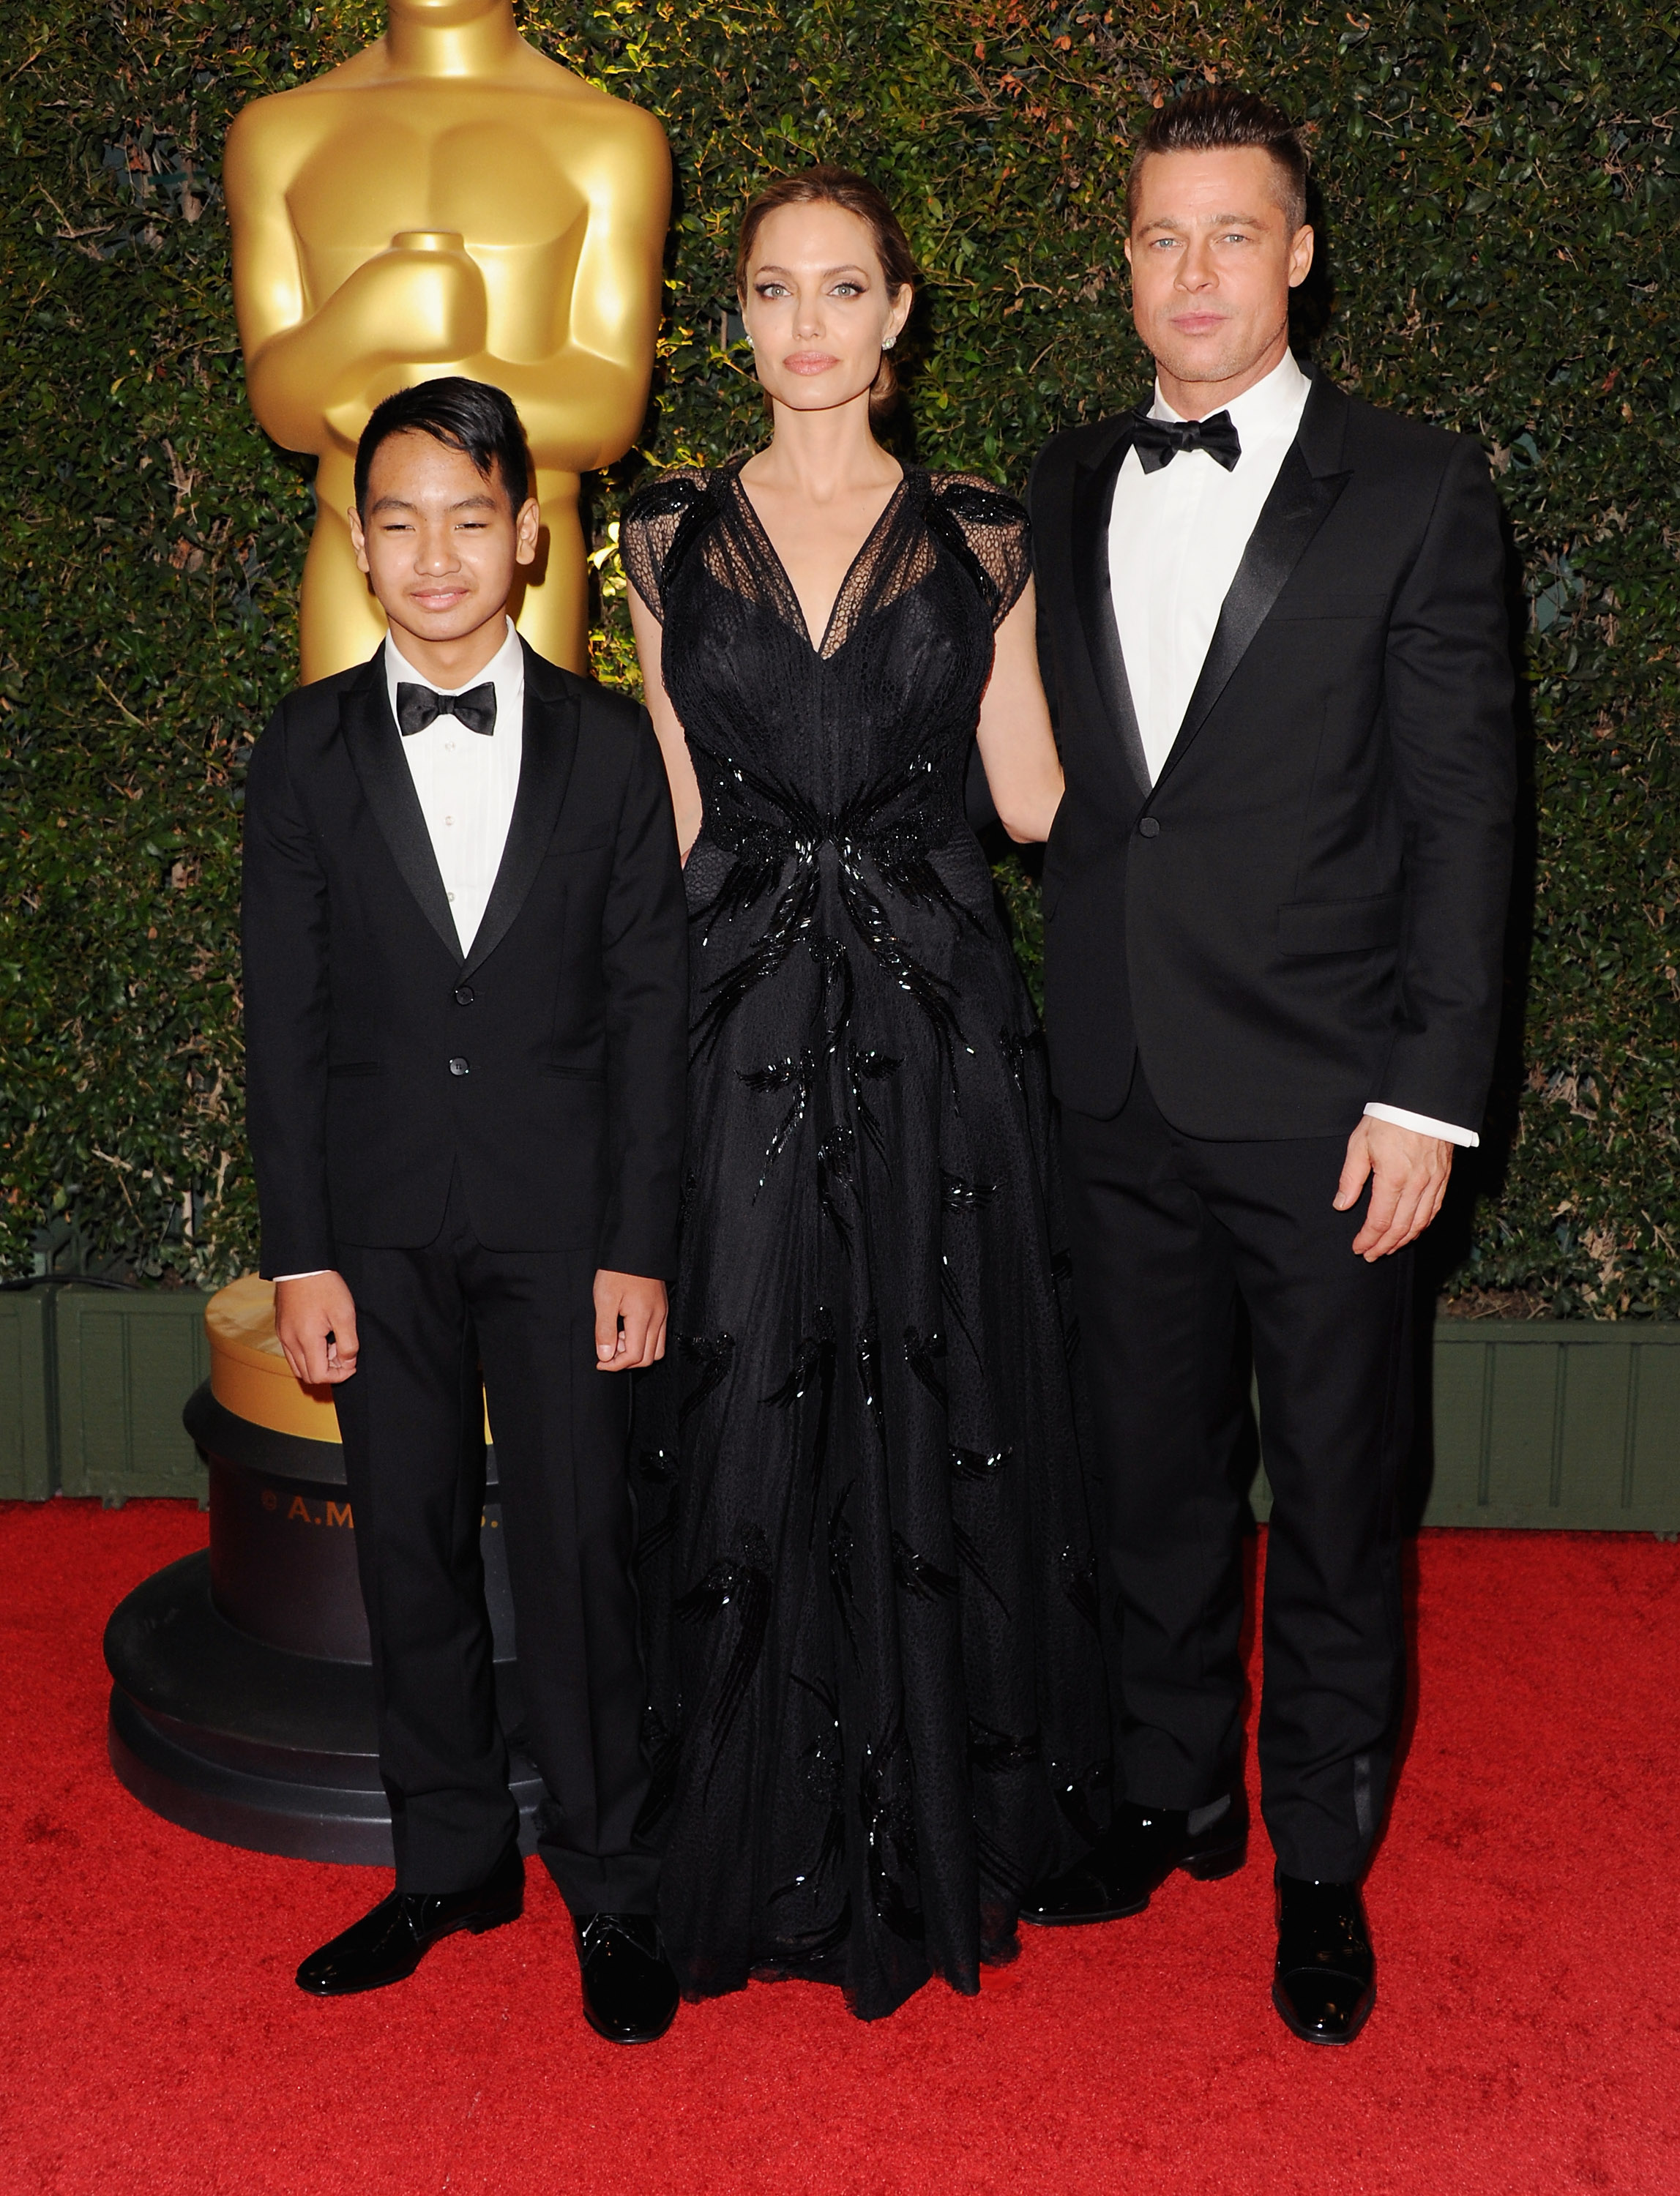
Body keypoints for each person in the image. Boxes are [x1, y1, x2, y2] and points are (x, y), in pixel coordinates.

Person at [1023, 89, 1515, 2044]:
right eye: (1160, 238)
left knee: (1334, 1495)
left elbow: (1466, 814)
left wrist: (1431, 1092)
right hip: (1119, 1080)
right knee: (1146, 1484)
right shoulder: (1066, 476)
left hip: (1333, 1106)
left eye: (1234, 234)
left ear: (1300, 253)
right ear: (1126, 263)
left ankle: (1320, 1859)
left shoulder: (1414, 485)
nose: (1194, 274)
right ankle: (1171, 1795)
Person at [621, 170, 1110, 2021]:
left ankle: (934, 1818)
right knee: (743, 1388)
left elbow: (1041, 798)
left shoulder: (979, 533)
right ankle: (748, 1831)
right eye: (771, 291)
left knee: (945, 1389)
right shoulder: (664, 533)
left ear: (900, 314)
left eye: (842, 290)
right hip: (734, 1011)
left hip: (933, 1022)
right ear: (733, 317)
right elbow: (668, 810)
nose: (805, 324)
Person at [241, 376, 689, 2044]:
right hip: (375, 1230)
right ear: (362, 549)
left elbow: (653, 1011)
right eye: (401, 522)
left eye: (471, 520)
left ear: (528, 538)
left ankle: (614, 1881)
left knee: (579, 1555)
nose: (436, 555)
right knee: (410, 1548)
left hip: (570, 1227)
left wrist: (639, 1242)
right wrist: (301, 1250)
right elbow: (278, 1025)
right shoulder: (301, 752)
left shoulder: (607, 745)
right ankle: (449, 1860)